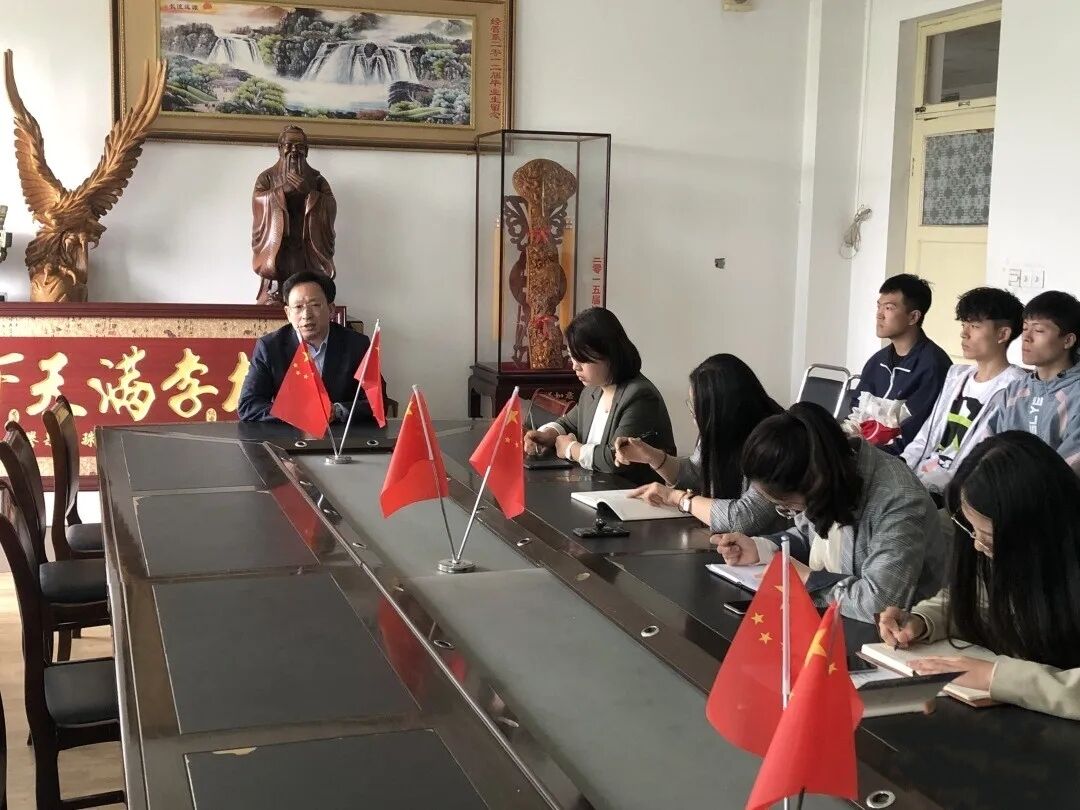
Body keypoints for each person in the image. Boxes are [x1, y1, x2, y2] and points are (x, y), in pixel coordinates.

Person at [878, 432, 1080, 720]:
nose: (977, 545)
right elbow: (983, 599)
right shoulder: (1023, 559)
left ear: (1036, 529)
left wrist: (995, 676)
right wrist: (922, 621)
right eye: (972, 530)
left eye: (987, 537)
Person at [714, 402, 945, 623]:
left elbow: (880, 604)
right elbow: (814, 535)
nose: (794, 513)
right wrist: (760, 548)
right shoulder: (831, 467)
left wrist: (809, 581)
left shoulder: (898, 501)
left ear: (814, 486)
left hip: (894, 638)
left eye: (788, 507)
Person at [613, 354, 788, 534]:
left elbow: (745, 518)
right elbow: (695, 473)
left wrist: (679, 499)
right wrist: (651, 456)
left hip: (774, 547)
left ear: (722, 412)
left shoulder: (776, 443)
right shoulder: (721, 430)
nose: (694, 416)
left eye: (697, 410)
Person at [523, 308, 675, 486]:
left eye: (582, 359)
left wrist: (571, 449)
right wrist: (548, 435)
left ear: (609, 354)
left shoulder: (640, 396)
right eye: (572, 357)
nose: (575, 367)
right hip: (595, 490)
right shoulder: (592, 391)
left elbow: (616, 457)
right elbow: (569, 423)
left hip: (632, 495)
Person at [902, 287, 1025, 500]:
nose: (964, 333)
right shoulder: (957, 376)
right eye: (964, 324)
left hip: (955, 493)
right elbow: (927, 435)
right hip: (919, 480)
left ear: (1003, 334)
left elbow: (988, 460)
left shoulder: (1016, 387)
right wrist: (900, 467)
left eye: (974, 326)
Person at [238, 271, 380, 424]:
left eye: (315, 305)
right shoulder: (270, 347)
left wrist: (337, 411)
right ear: (288, 313)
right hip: (290, 435)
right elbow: (248, 405)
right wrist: (297, 414)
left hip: (340, 434)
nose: (306, 315)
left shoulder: (357, 345)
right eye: (298, 307)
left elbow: (378, 402)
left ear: (331, 309)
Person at [850, 274, 951, 454]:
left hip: (899, 461)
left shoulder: (933, 366)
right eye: (879, 306)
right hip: (863, 453)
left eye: (889, 308)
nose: (879, 315)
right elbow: (855, 411)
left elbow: (915, 436)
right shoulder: (877, 361)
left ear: (913, 317)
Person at [982, 290, 1080, 471]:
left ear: (1068, 340)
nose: (1026, 337)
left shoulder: (1076, 395)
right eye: (1025, 328)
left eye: (1039, 330)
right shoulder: (1015, 389)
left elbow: (1067, 473)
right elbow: (988, 448)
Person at [252, 125, 337, 304]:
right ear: (280, 148)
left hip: (305, 241)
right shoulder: (267, 177)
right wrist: (281, 192)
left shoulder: (316, 179)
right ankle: (276, 292)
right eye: (288, 145)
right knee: (277, 266)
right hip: (280, 241)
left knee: (306, 277)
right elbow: (258, 200)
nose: (294, 150)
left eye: (299, 146)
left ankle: (305, 296)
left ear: (306, 150)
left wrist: (310, 194)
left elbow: (330, 204)